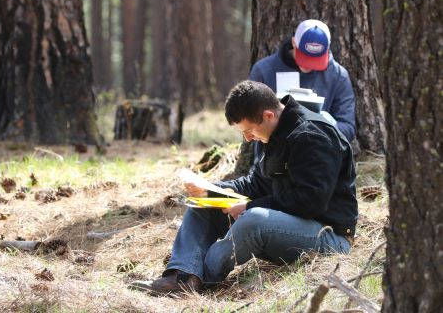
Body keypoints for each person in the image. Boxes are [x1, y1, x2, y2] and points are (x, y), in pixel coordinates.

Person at [130, 81, 357, 295]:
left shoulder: (313, 136)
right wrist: (210, 189)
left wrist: (248, 206)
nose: (248, 139)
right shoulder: (274, 132)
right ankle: (182, 275)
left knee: (252, 219)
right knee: (202, 203)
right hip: (289, 224)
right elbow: (256, 183)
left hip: (329, 236)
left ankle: (200, 280)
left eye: (249, 131)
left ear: (268, 115)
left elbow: (310, 203)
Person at [249, 19, 355, 142]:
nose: (308, 65)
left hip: (319, 150)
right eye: (305, 57)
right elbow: (249, 123)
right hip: (275, 150)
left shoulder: (338, 76)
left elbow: (348, 128)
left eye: (315, 60)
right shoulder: (264, 71)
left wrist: (326, 123)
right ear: (294, 43)